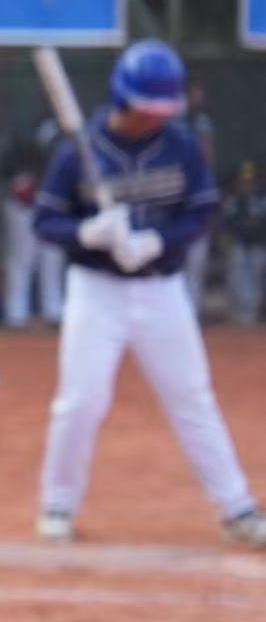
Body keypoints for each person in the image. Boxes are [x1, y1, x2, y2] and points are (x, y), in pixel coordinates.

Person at [31, 39, 266, 548]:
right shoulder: (81, 149)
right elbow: (45, 221)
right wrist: (86, 233)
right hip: (96, 291)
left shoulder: (180, 145)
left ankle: (237, 508)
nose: (156, 118)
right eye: (148, 109)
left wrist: (159, 240)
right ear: (125, 99)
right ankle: (57, 504)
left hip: (162, 291)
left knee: (192, 397)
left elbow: (200, 210)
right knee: (81, 400)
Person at [0, 117, 67, 329]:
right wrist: (20, 181)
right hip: (24, 207)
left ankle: (53, 311)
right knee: (22, 259)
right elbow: (5, 170)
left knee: (52, 258)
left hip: (52, 204)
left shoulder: (65, 131)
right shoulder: (23, 133)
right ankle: (16, 313)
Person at [182, 79, 216, 309]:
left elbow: (207, 153)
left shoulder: (201, 121)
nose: (198, 97)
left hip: (195, 200)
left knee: (196, 263)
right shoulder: (171, 120)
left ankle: (191, 311)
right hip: (174, 200)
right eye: (195, 92)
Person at [224, 161, 266, 325]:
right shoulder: (234, 199)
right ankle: (239, 311)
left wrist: (255, 226)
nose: (247, 184)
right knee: (237, 276)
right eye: (244, 181)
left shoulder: (260, 199)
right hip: (238, 242)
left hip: (256, 244)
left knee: (256, 275)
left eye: (250, 181)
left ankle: (253, 311)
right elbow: (227, 222)